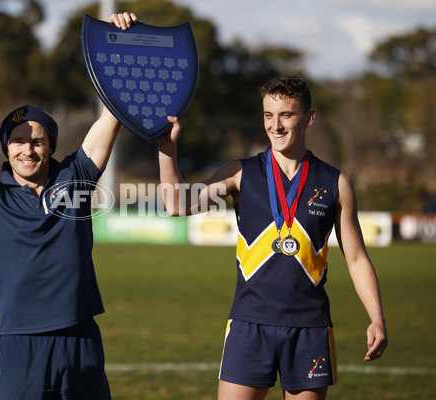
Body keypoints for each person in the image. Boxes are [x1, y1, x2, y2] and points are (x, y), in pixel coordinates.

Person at [0, 12, 138, 400]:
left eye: (37, 140)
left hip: (80, 337)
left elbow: (112, 115)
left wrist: (117, 44)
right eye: (18, 141)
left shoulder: (77, 176)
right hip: (21, 343)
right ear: (6, 148)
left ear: (51, 146)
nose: (27, 149)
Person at [156, 76, 388, 400]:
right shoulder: (240, 173)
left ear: (309, 117)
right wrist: (167, 150)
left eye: (286, 115)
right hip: (249, 325)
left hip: (310, 328)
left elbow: (357, 257)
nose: (275, 126)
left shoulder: (336, 183)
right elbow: (177, 204)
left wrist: (377, 318)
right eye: (268, 115)